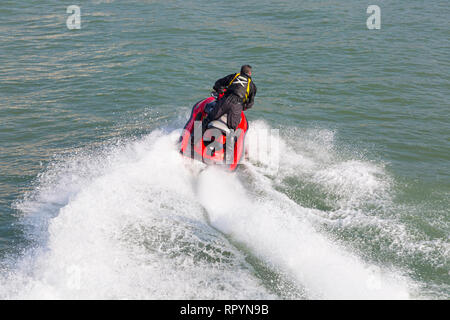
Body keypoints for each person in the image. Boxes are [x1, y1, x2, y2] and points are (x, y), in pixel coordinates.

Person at [205, 65, 257, 130]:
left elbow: (218, 83)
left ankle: (196, 135)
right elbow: (250, 104)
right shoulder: (252, 86)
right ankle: (230, 138)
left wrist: (219, 91)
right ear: (250, 73)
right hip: (237, 105)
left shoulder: (233, 76)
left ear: (240, 71)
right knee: (232, 128)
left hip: (226, 99)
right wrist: (242, 107)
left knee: (209, 118)